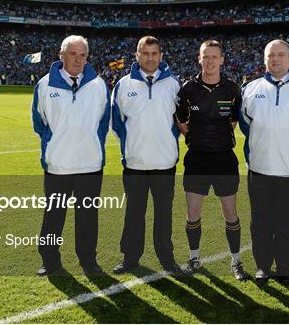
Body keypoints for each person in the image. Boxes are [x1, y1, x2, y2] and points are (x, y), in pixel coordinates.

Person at [32, 35, 110, 276]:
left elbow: (103, 122)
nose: (78, 60)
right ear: (62, 55)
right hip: (58, 165)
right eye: (73, 54)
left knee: (88, 216)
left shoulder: (99, 85)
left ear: (87, 57)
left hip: (90, 165)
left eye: (83, 55)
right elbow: (39, 123)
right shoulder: (45, 85)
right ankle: (50, 261)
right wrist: (55, 145)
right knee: (54, 215)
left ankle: (88, 261)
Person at [239, 39, 289, 284]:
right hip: (259, 169)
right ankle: (262, 266)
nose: (276, 59)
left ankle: (283, 267)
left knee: (287, 224)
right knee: (260, 222)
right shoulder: (251, 89)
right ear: (264, 59)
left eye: (281, 55)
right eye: (271, 55)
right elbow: (245, 124)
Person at [111, 36, 185, 276]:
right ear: (137, 55)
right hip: (135, 163)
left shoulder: (174, 85)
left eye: (154, 53)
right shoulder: (123, 85)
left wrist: (168, 142)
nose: (150, 58)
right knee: (134, 212)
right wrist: (132, 146)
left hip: (165, 163)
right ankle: (130, 257)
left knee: (164, 214)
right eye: (145, 53)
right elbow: (116, 123)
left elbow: (182, 121)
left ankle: (167, 258)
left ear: (161, 56)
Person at [175, 40, 247, 280]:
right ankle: (194, 258)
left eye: (214, 57)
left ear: (222, 60)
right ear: (199, 59)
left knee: (230, 211)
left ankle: (236, 261)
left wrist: (218, 138)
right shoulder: (188, 88)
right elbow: (181, 120)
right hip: (196, 160)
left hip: (224, 159)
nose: (210, 61)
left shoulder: (232, 88)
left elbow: (234, 121)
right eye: (205, 57)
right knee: (193, 212)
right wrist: (193, 137)